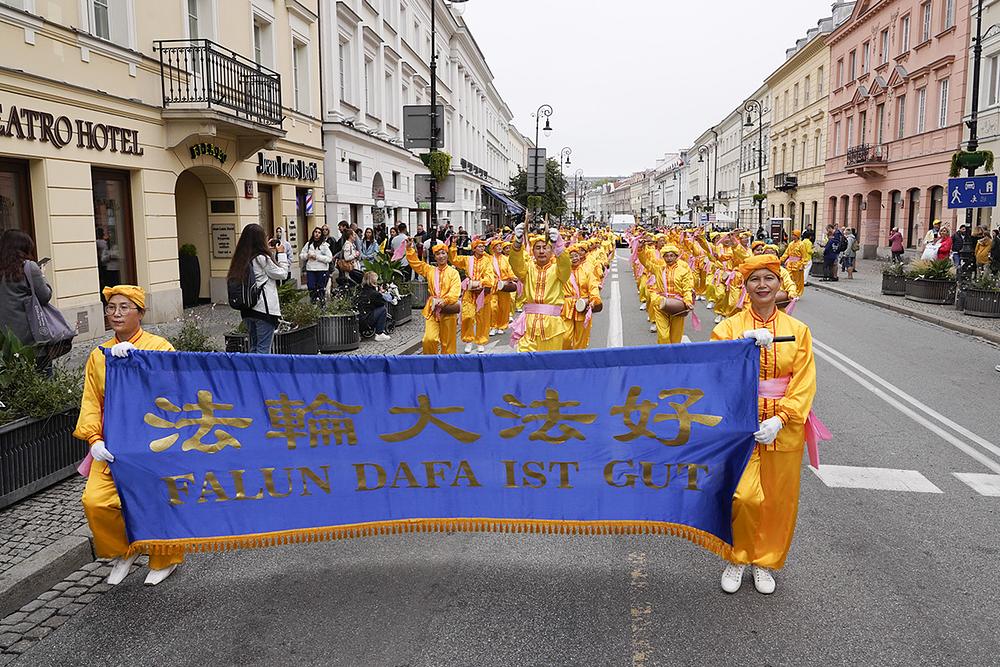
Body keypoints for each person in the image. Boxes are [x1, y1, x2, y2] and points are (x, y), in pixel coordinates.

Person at [711, 254, 819, 595]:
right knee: (743, 496)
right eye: (755, 279)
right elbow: (714, 373)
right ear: (746, 286)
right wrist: (740, 347)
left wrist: (782, 418)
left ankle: (765, 561)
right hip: (741, 426)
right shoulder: (728, 328)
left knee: (777, 500)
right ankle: (738, 556)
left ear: (778, 284)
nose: (762, 285)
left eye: (768, 278)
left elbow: (803, 382)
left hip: (782, 427)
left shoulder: (798, 331)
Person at [76, 284, 184, 586]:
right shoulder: (98, 355)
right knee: (95, 502)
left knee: (155, 499)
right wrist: (94, 439)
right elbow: (91, 400)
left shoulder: (159, 347)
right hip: (113, 444)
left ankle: (165, 558)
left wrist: (139, 364)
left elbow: (173, 393)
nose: (116, 313)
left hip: (151, 441)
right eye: (111, 307)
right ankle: (125, 549)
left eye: (124, 307)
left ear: (140, 313)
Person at [508, 220, 571, 352]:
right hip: (529, 325)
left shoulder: (558, 270)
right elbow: (515, 263)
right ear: (533, 251)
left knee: (550, 362)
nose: (541, 251)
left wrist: (559, 245)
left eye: (545, 247)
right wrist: (517, 243)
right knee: (525, 360)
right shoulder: (527, 269)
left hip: (552, 327)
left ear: (552, 251)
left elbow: (565, 265)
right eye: (538, 248)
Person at [228, 224, 289, 354]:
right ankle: (261, 369)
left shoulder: (240, 258)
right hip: (263, 310)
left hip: (248, 309)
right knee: (263, 350)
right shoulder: (261, 257)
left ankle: (252, 368)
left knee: (254, 347)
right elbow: (282, 274)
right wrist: (281, 254)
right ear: (260, 239)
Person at [0, 230, 55, 369]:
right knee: (43, 375)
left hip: (6, 340)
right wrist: (42, 275)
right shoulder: (29, 267)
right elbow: (45, 296)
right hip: (32, 338)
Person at [406, 238, 461, 354]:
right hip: (433, 309)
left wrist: (444, 301)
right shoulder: (430, 270)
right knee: (429, 339)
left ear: (447, 255)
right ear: (434, 257)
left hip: (448, 309)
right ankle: (431, 362)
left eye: (443, 253)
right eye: (438, 254)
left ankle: (447, 364)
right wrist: (409, 249)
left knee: (448, 343)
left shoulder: (453, 273)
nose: (441, 256)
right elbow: (416, 264)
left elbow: (455, 292)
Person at [452, 238, 496, 354]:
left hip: (482, 292)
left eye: (483, 246)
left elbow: (490, 275)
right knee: (468, 316)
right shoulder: (468, 260)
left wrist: (480, 283)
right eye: (479, 247)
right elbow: (454, 259)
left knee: (482, 318)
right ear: (474, 249)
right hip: (469, 292)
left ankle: (481, 341)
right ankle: (468, 341)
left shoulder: (487, 261)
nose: (482, 248)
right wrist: (453, 245)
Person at [357, 271, 393, 342]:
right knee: (383, 309)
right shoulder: (374, 294)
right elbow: (382, 303)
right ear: (374, 281)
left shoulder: (361, 291)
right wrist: (381, 293)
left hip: (359, 320)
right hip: (366, 321)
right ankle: (379, 333)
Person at [300, 228, 333, 303]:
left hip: (322, 269)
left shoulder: (324, 245)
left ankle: (321, 304)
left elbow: (329, 258)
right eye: (315, 232)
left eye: (319, 232)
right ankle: (313, 302)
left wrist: (317, 257)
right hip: (311, 269)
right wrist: (307, 256)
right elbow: (301, 255)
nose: (317, 234)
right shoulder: (308, 244)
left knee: (320, 288)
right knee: (311, 287)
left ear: (321, 235)